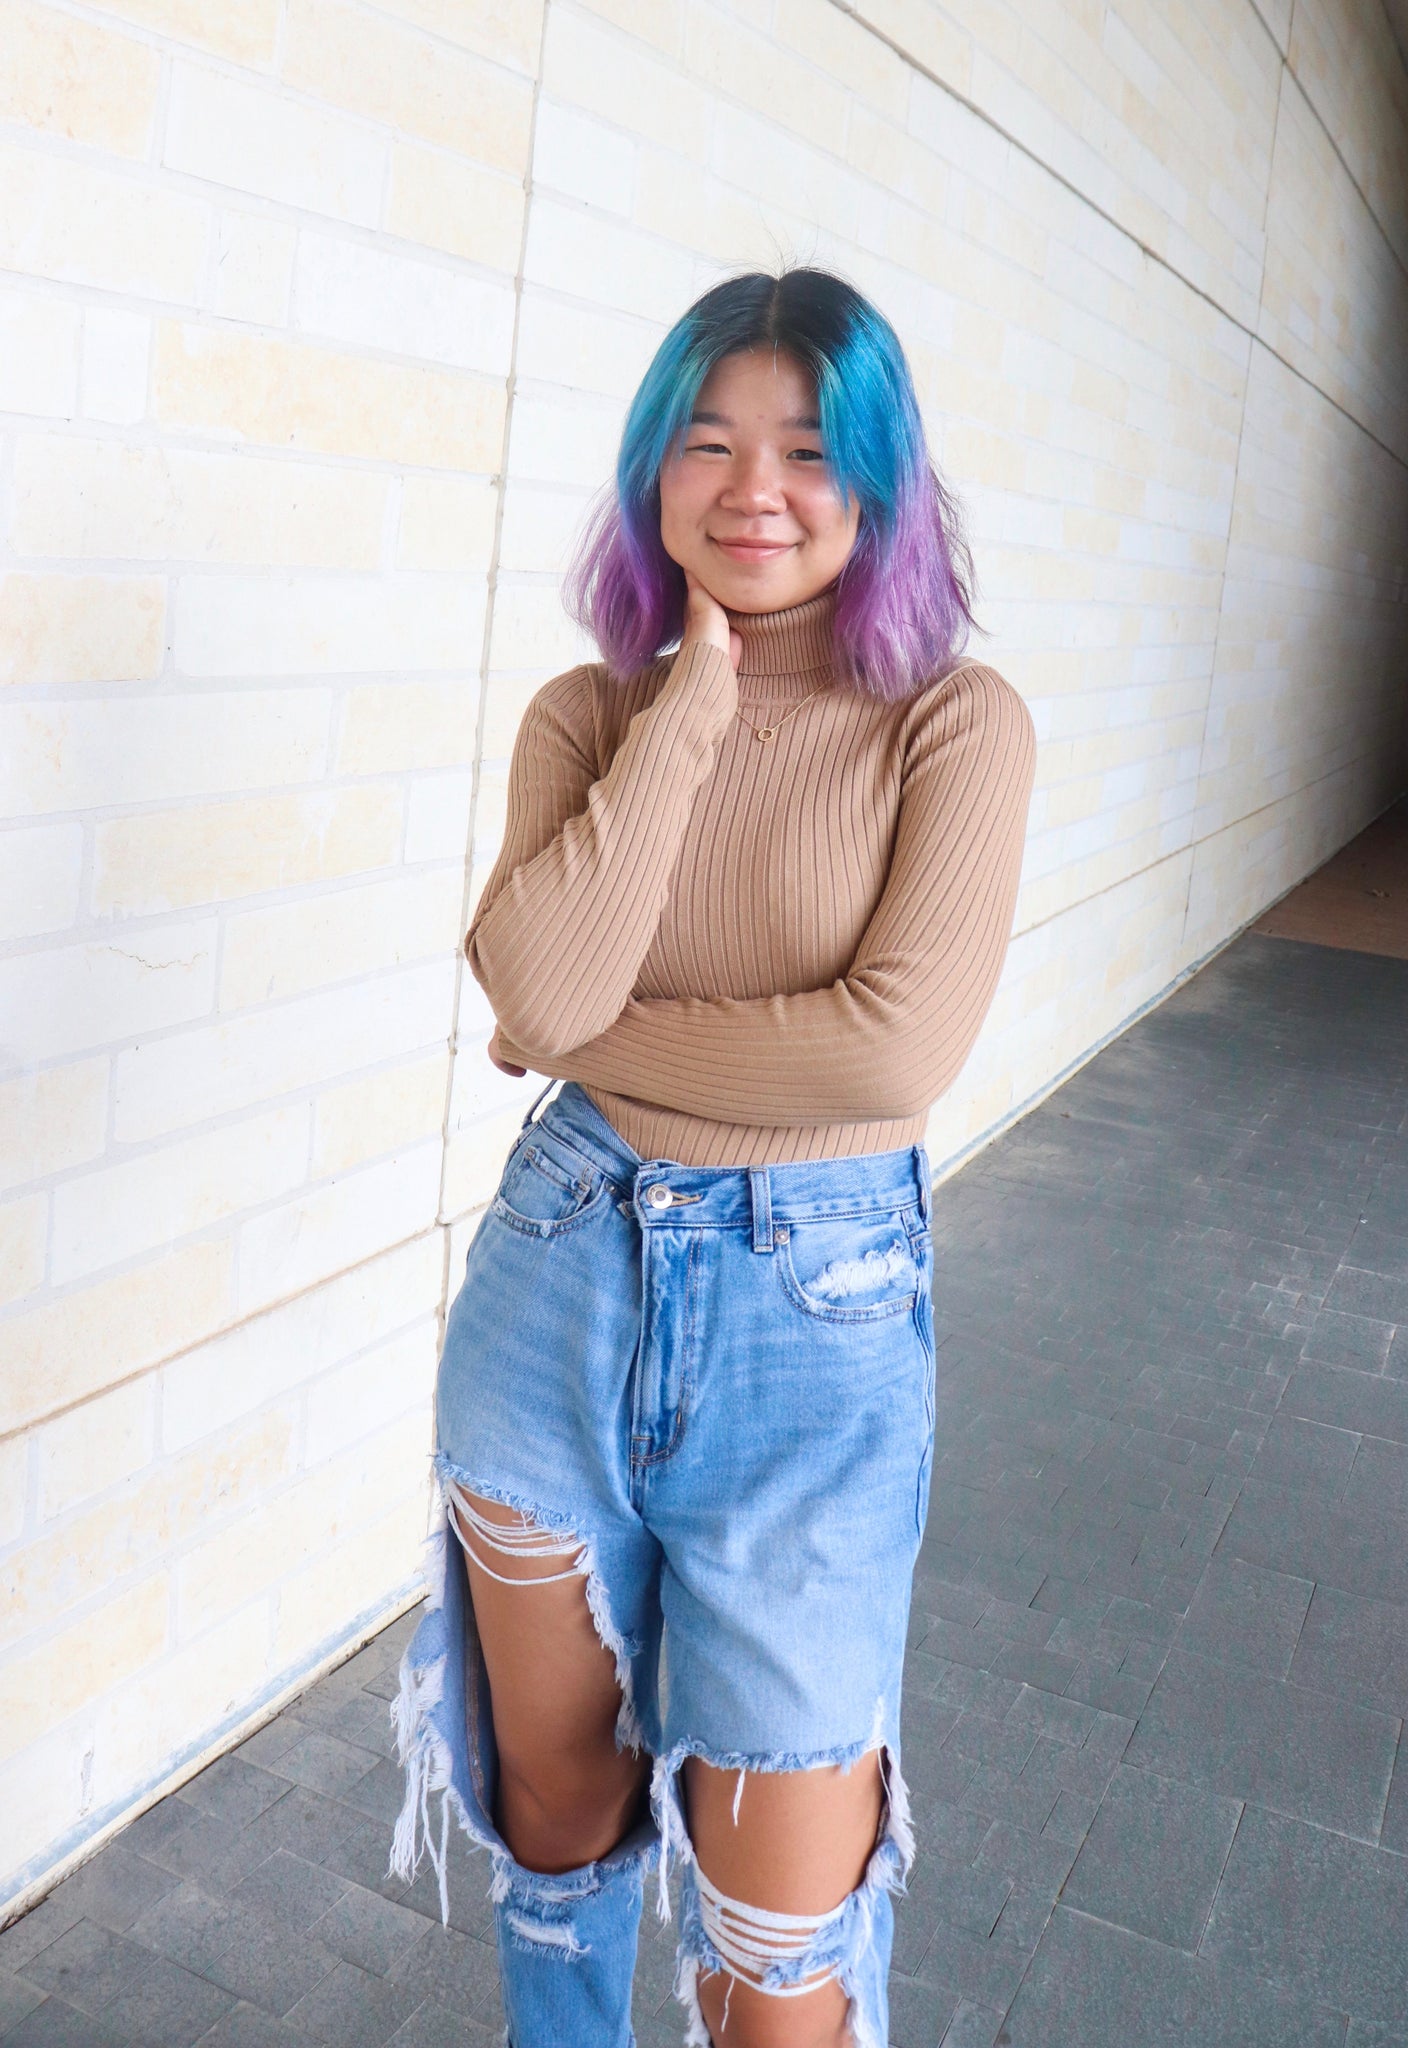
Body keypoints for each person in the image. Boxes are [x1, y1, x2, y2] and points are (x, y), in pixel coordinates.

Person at [390, 267, 1036, 2048]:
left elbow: (891, 1047)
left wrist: (578, 1026)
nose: (756, 486)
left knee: (783, 1937)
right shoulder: (588, 718)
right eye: (708, 442)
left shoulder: (954, 727)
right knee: (558, 1821)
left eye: (813, 451)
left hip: (808, 1344)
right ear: (653, 472)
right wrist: (690, 705)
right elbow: (530, 985)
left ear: (881, 487)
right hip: (555, 1288)